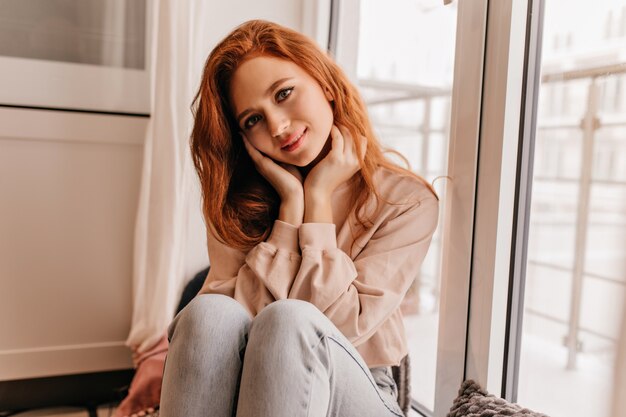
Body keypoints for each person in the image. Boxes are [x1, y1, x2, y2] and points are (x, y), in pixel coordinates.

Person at [159, 19, 439, 417]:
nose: (277, 126)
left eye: (284, 93)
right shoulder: (238, 201)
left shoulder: (406, 202)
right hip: (248, 389)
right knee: (207, 314)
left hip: (360, 388)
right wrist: (290, 210)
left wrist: (318, 203)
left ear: (325, 84)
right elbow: (228, 328)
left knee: (289, 321)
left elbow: (342, 326)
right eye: (252, 120)